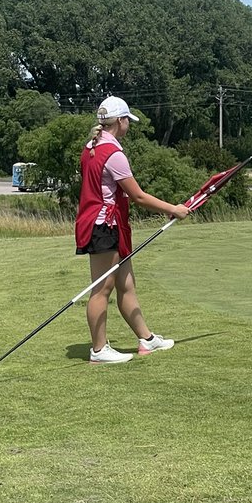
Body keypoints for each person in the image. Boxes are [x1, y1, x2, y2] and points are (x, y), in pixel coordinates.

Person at [75, 95, 190, 364]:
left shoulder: (91, 147)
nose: (129, 126)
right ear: (121, 121)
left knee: (126, 287)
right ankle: (99, 350)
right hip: (104, 227)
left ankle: (147, 340)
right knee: (102, 290)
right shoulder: (113, 154)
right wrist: (173, 209)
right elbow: (138, 196)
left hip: (107, 225)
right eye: (128, 121)